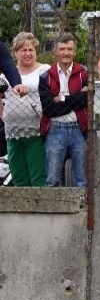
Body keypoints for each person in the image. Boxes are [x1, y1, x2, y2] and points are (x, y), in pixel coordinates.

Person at [41, 32, 90, 188]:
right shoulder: (46, 77)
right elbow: (49, 109)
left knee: (81, 179)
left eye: (69, 49)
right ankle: (54, 212)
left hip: (79, 129)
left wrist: (62, 98)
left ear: (74, 52)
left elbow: (88, 100)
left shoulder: (84, 74)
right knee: (53, 179)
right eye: (62, 49)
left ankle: (81, 212)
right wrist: (77, 99)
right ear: (55, 52)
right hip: (55, 129)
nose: (66, 53)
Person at [2, 32, 48, 186]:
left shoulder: (45, 71)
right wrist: (4, 116)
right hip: (12, 132)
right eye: (23, 50)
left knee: (38, 177)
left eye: (31, 50)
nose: (28, 53)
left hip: (36, 131)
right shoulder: (7, 74)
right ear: (15, 53)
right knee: (18, 177)